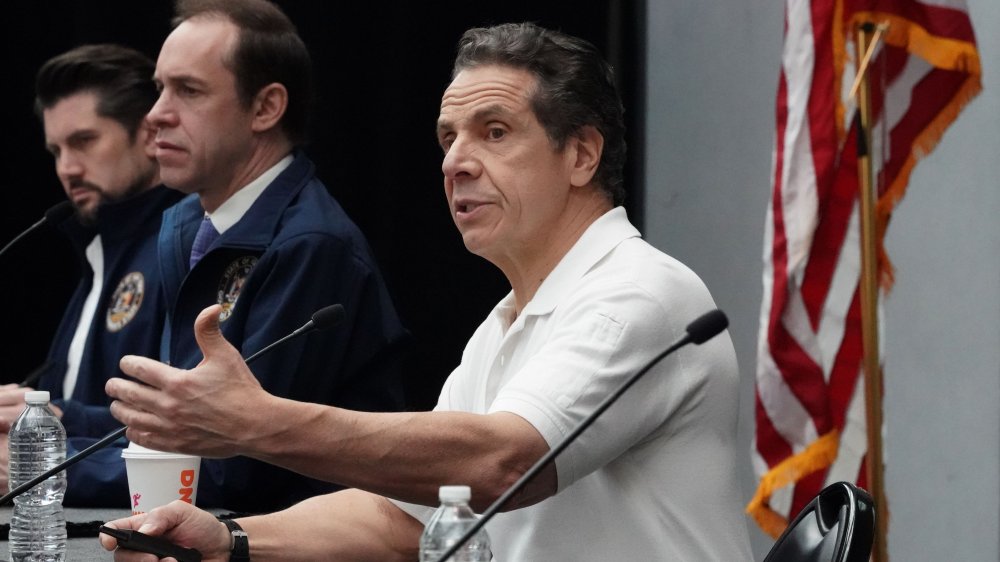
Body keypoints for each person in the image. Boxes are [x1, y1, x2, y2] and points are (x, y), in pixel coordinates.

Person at [102, 22, 752, 560]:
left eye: (494, 132)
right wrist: (230, 540)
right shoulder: (507, 322)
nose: (454, 161)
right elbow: (406, 520)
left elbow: (501, 464)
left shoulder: (636, 292)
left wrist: (258, 423)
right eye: (448, 138)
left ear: (581, 154)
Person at [115, 0, 409, 513]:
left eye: (188, 90)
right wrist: (48, 426)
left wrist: (48, 464)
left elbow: (235, 466)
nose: (156, 114)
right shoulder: (186, 225)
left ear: (265, 108)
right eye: (160, 88)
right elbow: (169, 418)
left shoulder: (311, 245)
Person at [0, 44, 184, 506]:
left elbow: (192, 440)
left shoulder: (183, 249)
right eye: (56, 150)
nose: (66, 168)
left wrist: (38, 458)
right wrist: (37, 415)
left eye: (84, 141)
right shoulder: (98, 253)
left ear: (147, 134)